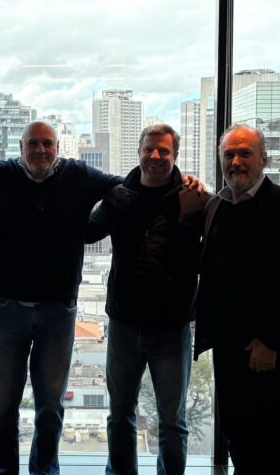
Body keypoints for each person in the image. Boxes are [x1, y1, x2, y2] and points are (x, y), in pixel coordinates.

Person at [0, 121, 123, 475]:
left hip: (58, 312)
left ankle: (44, 470)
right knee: (4, 406)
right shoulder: (2, 174)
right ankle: (5, 470)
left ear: (57, 148)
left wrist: (88, 229)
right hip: (9, 309)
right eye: (33, 144)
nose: (40, 150)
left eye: (47, 143)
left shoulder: (78, 174)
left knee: (50, 407)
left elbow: (122, 186)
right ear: (21, 148)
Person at [194, 124, 280, 475]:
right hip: (228, 347)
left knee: (275, 444)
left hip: (270, 352)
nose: (236, 161)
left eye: (245, 153)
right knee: (238, 436)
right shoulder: (216, 206)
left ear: (264, 159)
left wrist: (270, 341)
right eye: (229, 154)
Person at [86, 123, 208, 475]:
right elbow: (87, 231)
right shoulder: (119, 197)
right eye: (149, 149)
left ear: (175, 155)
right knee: (120, 414)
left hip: (172, 328)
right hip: (124, 324)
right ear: (138, 152)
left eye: (164, 150)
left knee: (172, 420)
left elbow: (217, 249)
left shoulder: (194, 198)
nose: (155, 156)